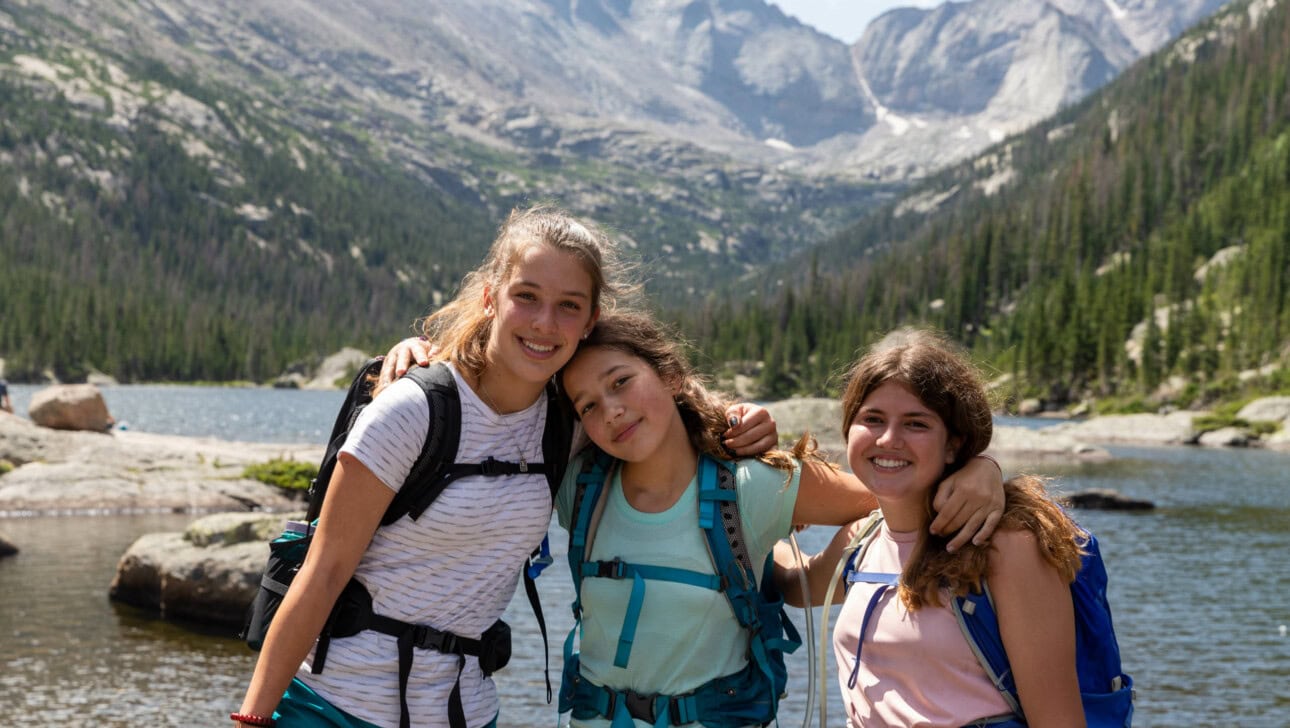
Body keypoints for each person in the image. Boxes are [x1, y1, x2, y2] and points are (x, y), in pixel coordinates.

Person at [235, 205, 780, 728]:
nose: (546, 323)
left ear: (591, 320)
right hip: (333, 707)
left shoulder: (568, 424)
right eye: (527, 297)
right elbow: (323, 573)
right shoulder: (412, 408)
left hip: (464, 712)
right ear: (492, 298)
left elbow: (649, 405)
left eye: (569, 305)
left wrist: (728, 417)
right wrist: (253, 718)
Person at [547, 311, 1006, 727]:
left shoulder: (755, 485)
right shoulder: (580, 491)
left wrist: (979, 469)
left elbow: (891, 493)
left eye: (620, 381)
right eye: (587, 405)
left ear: (670, 376)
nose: (611, 410)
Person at [775, 328, 1087, 727]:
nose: (889, 439)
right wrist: (755, 518)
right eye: (872, 419)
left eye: (916, 424)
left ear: (954, 444)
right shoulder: (862, 539)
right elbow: (793, 583)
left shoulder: (1007, 546)